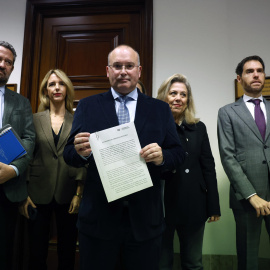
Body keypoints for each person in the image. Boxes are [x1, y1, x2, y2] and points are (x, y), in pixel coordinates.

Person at [63, 44, 184, 270]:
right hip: (99, 219)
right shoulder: (88, 105)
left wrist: (162, 157)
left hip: (145, 220)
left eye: (129, 66)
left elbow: (177, 153)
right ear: (108, 71)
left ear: (139, 71)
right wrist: (79, 153)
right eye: (117, 66)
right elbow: (69, 154)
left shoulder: (160, 109)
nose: (123, 71)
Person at [19, 69, 86, 270]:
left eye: (61, 83)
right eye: (51, 84)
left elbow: (83, 157)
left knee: (67, 250)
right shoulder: (33, 118)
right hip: (37, 193)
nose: (56, 87)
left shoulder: (78, 120)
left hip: (68, 192)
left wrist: (79, 193)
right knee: (37, 251)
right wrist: (24, 194)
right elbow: (26, 156)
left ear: (67, 89)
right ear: (45, 91)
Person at [157, 74, 221, 270]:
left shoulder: (198, 128)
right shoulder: (154, 126)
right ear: (164, 96)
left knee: (193, 263)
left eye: (183, 94)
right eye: (173, 93)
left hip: (194, 203)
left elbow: (208, 167)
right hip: (162, 205)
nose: (178, 98)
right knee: (162, 263)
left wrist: (213, 206)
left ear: (188, 100)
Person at [218, 55, 270, 270]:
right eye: (249, 71)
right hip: (247, 198)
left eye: (259, 70)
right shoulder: (227, 112)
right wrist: (252, 195)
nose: (256, 74)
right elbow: (228, 156)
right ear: (239, 79)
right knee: (248, 260)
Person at [0, 41, 35, 270]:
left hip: (7, 191)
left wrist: (13, 170)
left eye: (8, 62)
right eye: (0, 58)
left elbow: (30, 139)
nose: (2, 64)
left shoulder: (21, 103)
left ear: (12, 68)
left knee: (3, 253)